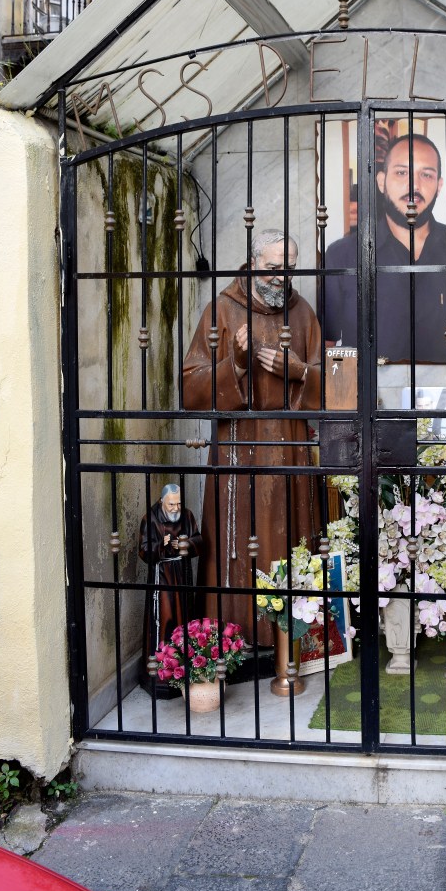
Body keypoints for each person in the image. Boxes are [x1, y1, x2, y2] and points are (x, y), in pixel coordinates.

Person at [183, 229, 321, 648]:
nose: (282, 277)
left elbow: (331, 385)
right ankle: (232, 640)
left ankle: (290, 642)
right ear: (253, 261)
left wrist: (298, 371)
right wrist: (237, 365)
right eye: (273, 267)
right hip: (239, 448)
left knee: (289, 539)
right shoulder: (222, 310)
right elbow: (190, 389)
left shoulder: (302, 313)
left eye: (290, 268)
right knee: (240, 545)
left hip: (290, 448)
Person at [323, 134, 446, 362]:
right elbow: (327, 344)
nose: (414, 185)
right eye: (401, 173)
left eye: (426, 174)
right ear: (381, 181)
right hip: (369, 386)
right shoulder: (343, 255)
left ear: (439, 185)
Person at [138, 484, 202, 695]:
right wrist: (161, 544)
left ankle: (184, 664)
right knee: (164, 619)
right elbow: (144, 550)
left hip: (182, 572)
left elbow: (199, 540)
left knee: (184, 617)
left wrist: (186, 544)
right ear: (161, 502)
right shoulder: (150, 519)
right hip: (162, 575)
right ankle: (162, 668)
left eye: (178, 504)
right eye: (171, 504)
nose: (176, 508)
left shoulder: (187, 515)